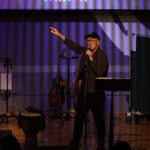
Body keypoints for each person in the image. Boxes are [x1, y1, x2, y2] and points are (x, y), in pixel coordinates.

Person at [49, 27, 109, 150]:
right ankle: (75, 141)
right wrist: (60, 35)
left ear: (98, 42)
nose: (89, 42)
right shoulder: (84, 51)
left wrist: (91, 59)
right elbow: (73, 45)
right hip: (84, 92)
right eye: (88, 40)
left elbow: (101, 72)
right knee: (79, 119)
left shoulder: (102, 55)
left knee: (99, 120)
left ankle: (100, 143)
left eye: (92, 40)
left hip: (97, 93)